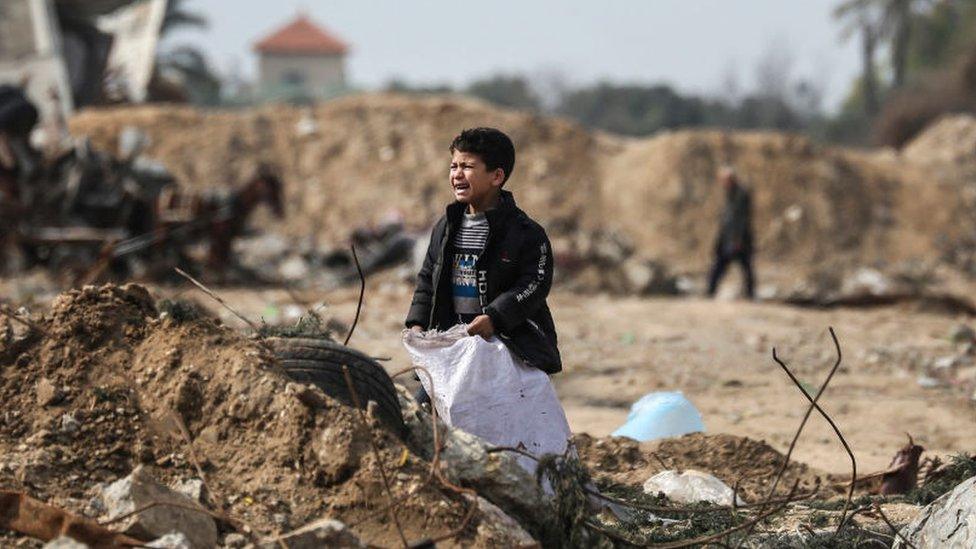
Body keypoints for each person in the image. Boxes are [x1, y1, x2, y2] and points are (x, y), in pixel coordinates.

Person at [405, 127, 561, 402]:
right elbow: (428, 279)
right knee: (421, 416)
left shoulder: (526, 233)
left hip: (507, 347)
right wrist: (417, 324)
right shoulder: (445, 227)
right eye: (454, 166)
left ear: (496, 176)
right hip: (454, 345)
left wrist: (495, 318)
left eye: (467, 166)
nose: (457, 174)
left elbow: (534, 285)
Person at [706, 165, 755, 299]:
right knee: (720, 266)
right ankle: (710, 291)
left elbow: (741, 219)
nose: (722, 183)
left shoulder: (741, 195)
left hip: (738, 240)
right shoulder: (730, 194)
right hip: (727, 238)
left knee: (745, 268)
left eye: (725, 180)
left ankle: (750, 294)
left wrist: (738, 240)